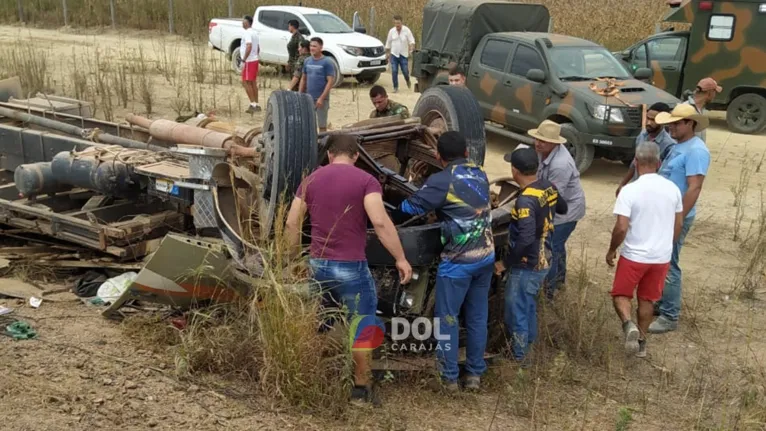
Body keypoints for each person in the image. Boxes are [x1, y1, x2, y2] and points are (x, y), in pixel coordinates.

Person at [285, 134, 413, 406]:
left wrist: (293, 260)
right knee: (363, 325)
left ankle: (305, 375)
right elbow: (379, 221)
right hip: (352, 268)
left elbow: (291, 222)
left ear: (330, 154)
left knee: (320, 321)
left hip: (318, 265)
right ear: (356, 156)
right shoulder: (366, 181)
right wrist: (400, 258)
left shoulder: (311, 179)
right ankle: (361, 389)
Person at [396, 131, 494, 392]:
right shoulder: (480, 172)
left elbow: (408, 208)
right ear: (465, 153)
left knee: (447, 319)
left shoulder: (441, 180)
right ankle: (474, 376)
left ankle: (449, 378)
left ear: (438, 156)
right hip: (486, 256)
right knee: (476, 317)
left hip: (458, 263)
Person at [606, 141, 683, 358]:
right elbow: (678, 224)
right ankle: (642, 342)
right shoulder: (673, 189)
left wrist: (612, 250)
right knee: (647, 300)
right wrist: (667, 246)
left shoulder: (629, 191)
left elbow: (621, 227)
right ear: (658, 163)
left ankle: (628, 324)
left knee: (621, 295)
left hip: (634, 256)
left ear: (636, 162)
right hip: (661, 257)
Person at [497, 147, 567, 364]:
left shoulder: (525, 201)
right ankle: (528, 350)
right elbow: (562, 208)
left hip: (528, 264)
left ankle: (519, 359)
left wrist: (505, 263)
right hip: (546, 257)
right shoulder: (547, 186)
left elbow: (525, 239)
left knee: (515, 311)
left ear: (515, 170)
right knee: (527, 307)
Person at [648, 103, 710, 334]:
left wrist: (679, 218)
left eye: (675, 123)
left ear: (690, 123)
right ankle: (664, 304)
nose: (671, 128)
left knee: (669, 263)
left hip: (675, 216)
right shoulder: (680, 146)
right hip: (666, 214)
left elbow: (694, 188)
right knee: (662, 260)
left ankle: (670, 315)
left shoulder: (696, 151)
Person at [530, 120, 585, 300]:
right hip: (561, 203)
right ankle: (560, 280)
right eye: (537, 139)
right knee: (558, 245)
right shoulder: (543, 152)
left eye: (543, 141)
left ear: (554, 143)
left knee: (551, 247)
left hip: (566, 210)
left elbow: (553, 198)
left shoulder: (561, 164)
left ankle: (548, 292)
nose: (538, 143)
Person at [616, 102, 676, 197]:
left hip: (653, 194)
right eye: (648, 118)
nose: (648, 122)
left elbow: (666, 175)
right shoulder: (642, 136)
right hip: (635, 189)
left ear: (663, 122)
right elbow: (634, 162)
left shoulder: (669, 145)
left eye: (653, 120)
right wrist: (623, 184)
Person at [300, 37, 335, 132]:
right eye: (311, 46)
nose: (312, 48)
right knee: (308, 124)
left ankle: (323, 144)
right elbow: (303, 78)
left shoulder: (327, 62)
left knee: (322, 125)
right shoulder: (307, 61)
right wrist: (300, 94)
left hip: (321, 100)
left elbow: (330, 81)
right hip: (308, 98)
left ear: (321, 47)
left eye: (315, 46)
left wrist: (322, 98)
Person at [683, 77, 721, 142]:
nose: (715, 95)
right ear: (710, 93)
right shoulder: (685, 109)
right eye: (715, 92)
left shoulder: (701, 109)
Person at [385, 15, 416, 93]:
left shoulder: (407, 31)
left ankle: (407, 80)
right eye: (395, 23)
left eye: (398, 23)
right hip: (394, 54)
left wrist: (411, 47)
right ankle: (395, 87)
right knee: (394, 71)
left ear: (401, 22)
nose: (397, 25)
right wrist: (387, 54)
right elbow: (388, 43)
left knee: (405, 71)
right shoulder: (391, 31)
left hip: (403, 55)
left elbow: (411, 41)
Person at [240, 15, 261, 113]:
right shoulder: (255, 33)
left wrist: (244, 59)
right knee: (252, 82)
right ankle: (256, 103)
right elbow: (258, 47)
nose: (242, 23)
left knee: (246, 82)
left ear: (247, 22)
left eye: (243, 21)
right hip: (254, 59)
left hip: (249, 61)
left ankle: (253, 104)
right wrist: (255, 55)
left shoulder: (247, 33)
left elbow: (249, 46)